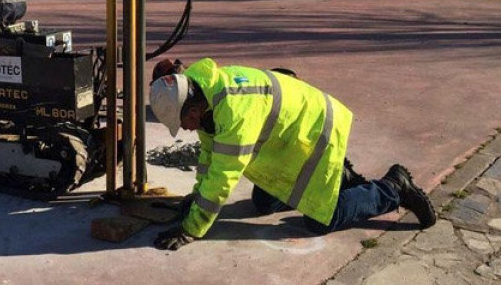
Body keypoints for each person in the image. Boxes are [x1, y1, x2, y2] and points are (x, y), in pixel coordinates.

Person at [148, 58, 437, 251]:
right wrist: (197, 197)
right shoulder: (207, 95)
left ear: (193, 109)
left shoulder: (232, 113)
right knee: (263, 203)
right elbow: (208, 160)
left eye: (182, 123)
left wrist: (193, 228)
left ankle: (392, 188)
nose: (184, 130)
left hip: (313, 134)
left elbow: (223, 177)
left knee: (321, 220)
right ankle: (340, 177)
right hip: (288, 139)